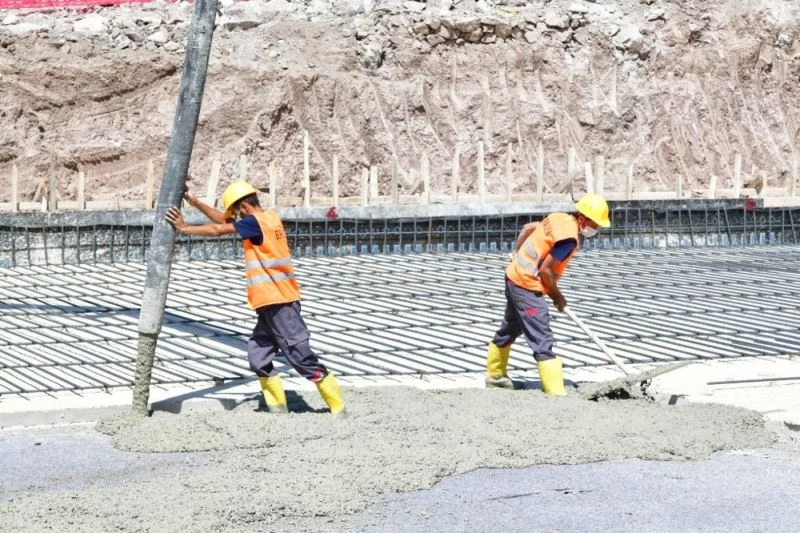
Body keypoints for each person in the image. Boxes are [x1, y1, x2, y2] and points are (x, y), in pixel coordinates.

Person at [166, 181, 347, 416]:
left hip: (280, 303)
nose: (235, 217)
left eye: (236, 212)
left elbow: (218, 229)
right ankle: (278, 409)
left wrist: (184, 228)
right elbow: (224, 221)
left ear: (243, 208)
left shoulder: (256, 223)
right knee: (258, 357)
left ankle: (338, 408)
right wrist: (196, 202)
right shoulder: (267, 219)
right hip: (269, 306)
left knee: (300, 357)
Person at [485, 193, 611, 395]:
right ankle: (555, 392)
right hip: (526, 285)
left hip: (513, 276)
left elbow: (528, 228)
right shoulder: (568, 240)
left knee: (511, 328)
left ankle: (496, 377)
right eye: (594, 224)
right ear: (582, 217)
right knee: (541, 336)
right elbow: (546, 272)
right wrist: (558, 297)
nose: (596, 229)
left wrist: (517, 254)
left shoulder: (558, 218)